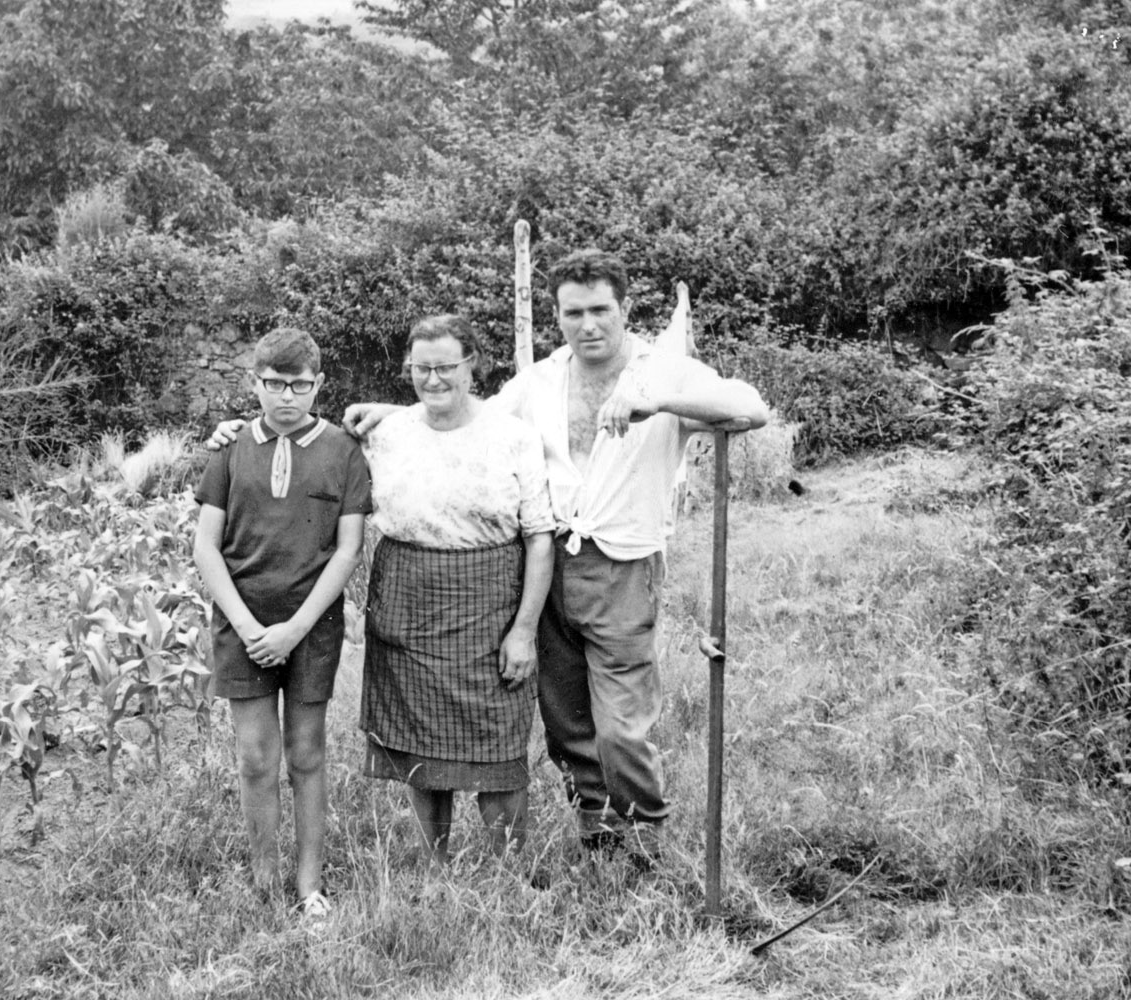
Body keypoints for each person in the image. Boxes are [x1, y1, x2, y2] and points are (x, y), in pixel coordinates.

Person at [335, 249, 770, 866]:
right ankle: (599, 839)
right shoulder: (540, 381)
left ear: (625, 308)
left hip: (621, 565)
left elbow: (751, 407)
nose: (587, 325)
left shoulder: (663, 372)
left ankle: (643, 836)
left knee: (620, 727)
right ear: (557, 316)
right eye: (573, 313)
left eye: (600, 310)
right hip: (542, 568)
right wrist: (395, 415)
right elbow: (472, 419)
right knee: (566, 720)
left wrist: (660, 404)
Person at [358, 315, 554, 867]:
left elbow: (540, 539)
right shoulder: (388, 433)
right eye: (421, 367)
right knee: (420, 744)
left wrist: (523, 631)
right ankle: (434, 868)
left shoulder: (512, 436)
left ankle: (509, 872)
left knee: (499, 742)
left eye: (446, 366)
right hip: (406, 605)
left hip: (491, 606)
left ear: (473, 366)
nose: (433, 378)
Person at [192, 327, 372, 921]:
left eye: (299, 385)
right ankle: (265, 880)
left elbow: (347, 550)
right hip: (241, 624)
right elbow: (206, 548)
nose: (286, 396)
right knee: (254, 757)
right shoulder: (229, 448)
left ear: (318, 385)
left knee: (306, 752)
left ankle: (308, 884)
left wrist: (294, 628)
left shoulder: (342, 450)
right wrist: (248, 627)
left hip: (311, 625)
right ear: (256, 384)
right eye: (274, 384)